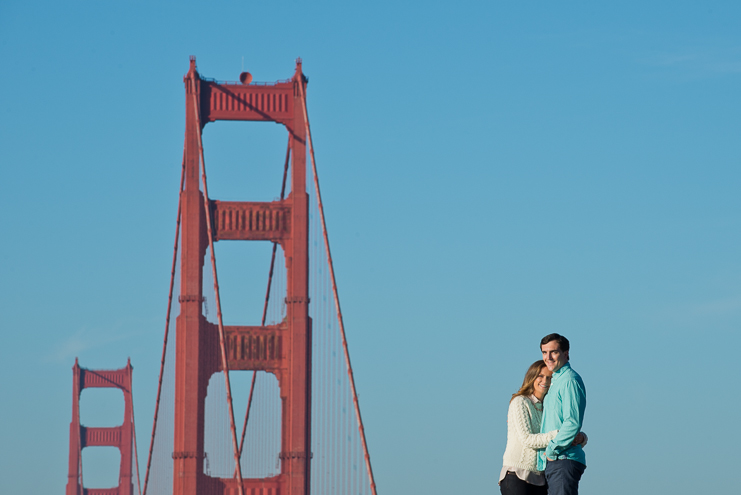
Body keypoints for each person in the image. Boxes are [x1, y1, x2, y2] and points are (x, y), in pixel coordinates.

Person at [499, 360, 586, 495]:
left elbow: (563, 428)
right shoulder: (520, 402)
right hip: (517, 474)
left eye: (549, 377)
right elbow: (527, 439)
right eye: (540, 376)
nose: (545, 380)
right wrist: (562, 434)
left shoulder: (548, 406)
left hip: (541, 477)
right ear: (532, 377)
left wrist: (581, 437)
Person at [538, 333, 587, 495]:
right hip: (555, 461)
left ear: (566, 353)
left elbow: (572, 422)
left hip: (563, 459)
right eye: (544, 352)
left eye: (554, 352)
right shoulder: (555, 382)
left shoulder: (569, 381)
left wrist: (552, 449)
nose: (548, 357)